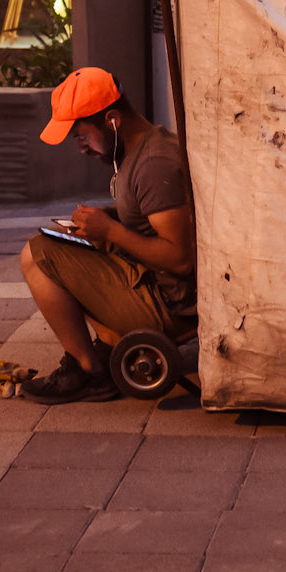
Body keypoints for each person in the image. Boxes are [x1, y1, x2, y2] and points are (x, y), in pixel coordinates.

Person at [18, 67, 195, 403]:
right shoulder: (139, 150)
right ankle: (97, 352)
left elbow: (181, 259)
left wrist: (110, 230)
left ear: (112, 120)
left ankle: (89, 372)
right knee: (59, 240)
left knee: (36, 255)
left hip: (170, 309)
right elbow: (149, 217)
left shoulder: (154, 164)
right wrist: (105, 220)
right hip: (153, 287)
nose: (81, 148)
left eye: (82, 136)